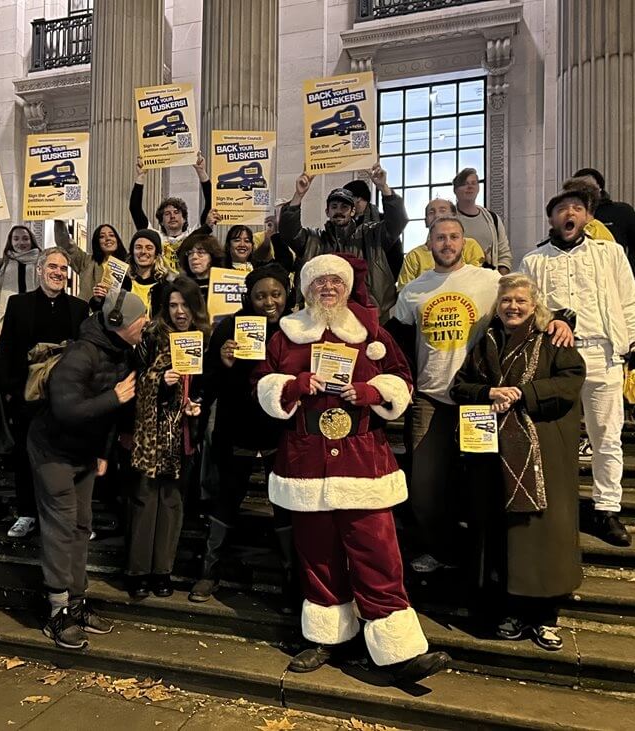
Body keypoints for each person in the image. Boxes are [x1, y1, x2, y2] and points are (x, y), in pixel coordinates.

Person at [253, 253, 449, 682]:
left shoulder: (371, 333)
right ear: (307, 291)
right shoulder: (285, 336)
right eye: (319, 282)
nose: (328, 288)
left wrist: (370, 391)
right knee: (317, 553)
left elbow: (402, 377)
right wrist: (293, 385)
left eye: (335, 282)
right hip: (306, 456)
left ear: (346, 288)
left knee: (377, 551)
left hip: (362, 455)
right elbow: (263, 383)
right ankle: (327, 636)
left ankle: (397, 646)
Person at [392, 217, 573, 574]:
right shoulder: (413, 289)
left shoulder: (490, 280)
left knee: (482, 486)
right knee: (425, 491)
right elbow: (393, 338)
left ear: (465, 243)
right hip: (432, 398)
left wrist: (562, 320)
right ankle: (443, 551)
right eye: (439, 237)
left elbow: (528, 302)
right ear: (428, 244)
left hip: (483, 399)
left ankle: (483, 562)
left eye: (454, 237)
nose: (447, 243)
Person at [451, 273, 586, 651]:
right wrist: (487, 391)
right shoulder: (487, 341)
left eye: (521, 301)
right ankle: (509, 610)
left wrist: (523, 393)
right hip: (494, 455)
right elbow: (459, 386)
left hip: (541, 455)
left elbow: (571, 380)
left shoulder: (553, 339)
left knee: (543, 534)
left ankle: (545, 618)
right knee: (502, 534)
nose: (513, 307)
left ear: (535, 305)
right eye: (507, 300)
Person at [520, 189, 635, 547]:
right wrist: (551, 318)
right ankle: (555, 506)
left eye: (577, 208)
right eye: (562, 209)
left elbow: (628, 300)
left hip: (603, 354)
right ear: (552, 218)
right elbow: (524, 307)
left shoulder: (611, 254)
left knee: (606, 436)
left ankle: (607, 509)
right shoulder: (533, 261)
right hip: (557, 358)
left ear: (588, 217)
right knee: (551, 438)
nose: (569, 213)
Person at [27, 288, 146, 650]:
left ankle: (76, 603)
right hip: (53, 452)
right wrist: (115, 397)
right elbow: (66, 410)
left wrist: (103, 451)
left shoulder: (121, 350)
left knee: (81, 527)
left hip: (84, 453)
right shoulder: (81, 354)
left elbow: (108, 417)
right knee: (61, 528)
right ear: (117, 323)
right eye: (140, 319)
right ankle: (56, 612)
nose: (146, 323)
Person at [189, 264, 297, 607]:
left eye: (276, 294)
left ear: (286, 295)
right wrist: (222, 363)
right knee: (227, 497)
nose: (269, 301)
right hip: (237, 428)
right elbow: (208, 383)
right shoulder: (229, 328)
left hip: (281, 430)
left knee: (283, 502)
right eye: (261, 295)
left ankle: (293, 573)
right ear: (248, 297)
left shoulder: (295, 330)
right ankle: (209, 569)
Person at [0, 247, 88, 539]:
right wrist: (9, 392)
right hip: (28, 398)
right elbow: (6, 348)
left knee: (66, 460)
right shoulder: (18, 304)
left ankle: (62, 516)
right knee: (26, 457)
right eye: (52, 267)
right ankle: (26, 513)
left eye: (62, 269)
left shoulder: (80, 308)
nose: (58, 273)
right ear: (40, 270)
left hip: (66, 399)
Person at [126, 276, 209, 599]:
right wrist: (160, 379)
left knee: (172, 504)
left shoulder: (202, 338)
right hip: (151, 433)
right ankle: (137, 572)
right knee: (145, 500)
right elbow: (133, 379)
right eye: (173, 305)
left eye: (185, 304)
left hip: (183, 434)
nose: (179, 311)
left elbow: (206, 383)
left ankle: (162, 571)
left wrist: (197, 402)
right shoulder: (151, 336)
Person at [278, 163, 405, 321]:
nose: (339, 211)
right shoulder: (313, 239)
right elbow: (288, 232)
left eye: (345, 207)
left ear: (353, 211)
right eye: (334, 206)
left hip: (367, 317)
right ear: (327, 212)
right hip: (322, 317)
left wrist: (383, 187)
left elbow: (397, 222)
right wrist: (299, 194)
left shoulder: (372, 235)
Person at [129, 153, 212, 273]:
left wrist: (201, 172)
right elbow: (135, 208)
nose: (172, 216)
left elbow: (210, 202)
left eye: (176, 212)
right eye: (167, 214)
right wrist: (141, 176)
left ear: (184, 219)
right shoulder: (155, 237)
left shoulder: (194, 235)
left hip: (188, 286)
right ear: (161, 221)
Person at [396, 199, 487, 288]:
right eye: (431, 212)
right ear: (426, 221)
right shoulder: (414, 256)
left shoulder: (469, 245)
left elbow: (476, 281)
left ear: (454, 216)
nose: (437, 215)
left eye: (442, 210)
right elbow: (404, 292)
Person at [573, 167, 635, 275]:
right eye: (578, 188)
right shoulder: (570, 216)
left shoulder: (621, 211)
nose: (584, 192)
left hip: (612, 275)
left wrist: (627, 274)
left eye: (588, 187)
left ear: (599, 188)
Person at [453, 168, 512, 274]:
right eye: (465, 184)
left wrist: (500, 279)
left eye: (474, 183)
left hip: (489, 279)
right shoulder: (446, 220)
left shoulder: (492, 218)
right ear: (456, 190)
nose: (470, 187)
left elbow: (504, 254)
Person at [54, 221, 126, 303]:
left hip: (116, 314)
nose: (108, 238)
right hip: (87, 313)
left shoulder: (128, 265)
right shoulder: (86, 261)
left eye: (112, 235)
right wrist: (59, 220)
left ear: (117, 240)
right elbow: (66, 245)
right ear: (96, 242)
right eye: (102, 236)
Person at [177, 232, 222, 300]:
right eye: (190, 253)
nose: (194, 257)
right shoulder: (180, 285)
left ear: (212, 256)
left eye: (200, 252)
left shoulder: (222, 285)